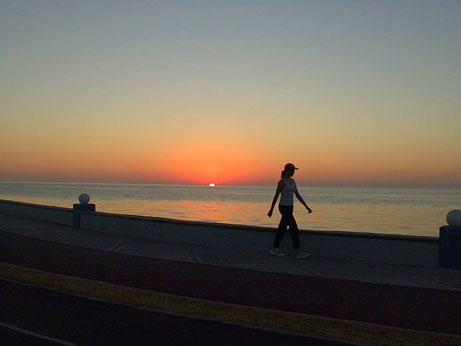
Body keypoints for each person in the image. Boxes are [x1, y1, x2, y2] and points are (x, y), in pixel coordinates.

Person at [267, 163, 312, 258]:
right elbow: (276, 195)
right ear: (287, 171)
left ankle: (274, 248)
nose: (293, 172)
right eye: (292, 170)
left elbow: (297, 195)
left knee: (282, 229)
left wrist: (306, 206)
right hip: (283, 207)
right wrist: (271, 209)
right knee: (294, 228)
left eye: (294, 171)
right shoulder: (282, 182)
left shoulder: (293, 181)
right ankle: (298, 251)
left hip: (290, 207)